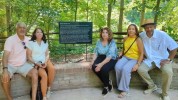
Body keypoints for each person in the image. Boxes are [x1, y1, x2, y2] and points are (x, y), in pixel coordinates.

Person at [137, 19, 178, 100]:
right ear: (144, 28)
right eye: (147, 27)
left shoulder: (162, 35)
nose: (148, 29)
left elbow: (174, 46)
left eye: (150, 27)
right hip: (149, 59)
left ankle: (164, 94)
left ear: (154, 27)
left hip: (163, 59)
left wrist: (169, 59)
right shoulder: (142, 35)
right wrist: (142, 56)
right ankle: (152, 86)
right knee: (140, 69)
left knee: (168, 72)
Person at [1, 22, 38, 100]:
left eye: (24, 28)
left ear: (26, 30)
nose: (22, 29)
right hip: (10, 64)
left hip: (23, 64)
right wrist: (5, 69)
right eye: (20, 27)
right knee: (4, 77)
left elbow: (34, 52)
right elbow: (5, 55)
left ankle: (34, 98)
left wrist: (38, 62)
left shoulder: (28, 40)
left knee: (35, 73)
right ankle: (9, 98)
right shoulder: (10, 40)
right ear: (16, 29)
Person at [115, 24, 144, 98]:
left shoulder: (138, 39)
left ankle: (124, 90)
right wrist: (120, 54)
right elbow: (124, 49)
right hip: (125, 57)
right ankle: (120, 86)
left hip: (134, 58)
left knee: (126, 69)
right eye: (129, 29)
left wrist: (138, 64)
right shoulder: (125, 38)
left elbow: (142, 53)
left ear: (135, 31)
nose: (131, 30)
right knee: (117, 67)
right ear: (127, 30)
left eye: (133, 29)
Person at [26, 28, 55, 100]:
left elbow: (47, 54)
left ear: (43, 34)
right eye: (37, 32)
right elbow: (29, 57)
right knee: (44, 75)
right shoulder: (31, 43)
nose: (39, 33)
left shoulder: (45, 42)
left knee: (52, 68)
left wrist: (45, 62)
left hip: (44, 60)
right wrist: (36, 63)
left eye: (41, 32)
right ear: (35, 34)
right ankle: (44, 96)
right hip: (35, 62)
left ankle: (49, 88)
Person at [89, 27, 118, 96]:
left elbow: (109, 56)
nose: (104, 34)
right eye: (103, 32)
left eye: (106, 32)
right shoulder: (99, 41)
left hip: (111, 58)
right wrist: (92, 61)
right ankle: (108, 82)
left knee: (104, 69)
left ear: (109, 34)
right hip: (101, 57)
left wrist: (100, 64)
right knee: (93, 66)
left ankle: (106, 86)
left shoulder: (112, 42)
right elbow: (96, 52)